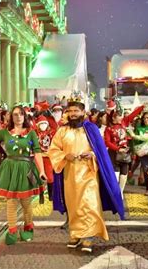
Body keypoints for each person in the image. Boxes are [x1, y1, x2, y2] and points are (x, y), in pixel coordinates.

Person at [48, 98, 124, 253]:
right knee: (73, 205)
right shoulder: (62, 130)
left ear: (83, 112)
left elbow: (101, 152)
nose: (73, 114)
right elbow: (53, 149)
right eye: (70, 111)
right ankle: (75, 234)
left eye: (76, 111)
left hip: (89, 173)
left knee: (89, 204)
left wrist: (91, 154)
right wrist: (64, 155)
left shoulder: (91, 129)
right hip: (69, 174)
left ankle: (88, 236)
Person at [0, 105, 47, 245]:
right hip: (10, 168)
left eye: (20, 114)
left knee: (26, 203)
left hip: (26, 169)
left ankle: (28, 228)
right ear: (11, 117)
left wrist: (42, 170)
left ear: (25, 116)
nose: (18, 117)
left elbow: (37, 152)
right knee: (11, 202)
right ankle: (12, 230)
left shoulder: (31, 133)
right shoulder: (5, 132)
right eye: (15, 114)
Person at [104, 105, 145, 196]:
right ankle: (114, 191)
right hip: (114, 153)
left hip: (125, 152)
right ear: (113, 118)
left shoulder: (124, 122)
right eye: (119, 116)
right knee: (115, 173)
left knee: (124, 173)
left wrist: (142, 107)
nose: (121, 117)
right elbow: (107, 142)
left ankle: (120, 191)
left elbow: (133, 115)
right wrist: (118, 149)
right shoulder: (108, 128)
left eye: (121, 115)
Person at [128, 112, 148, 195]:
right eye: (144, 118)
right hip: (144, 154)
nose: (146, 120)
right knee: (146, 170)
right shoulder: (139, 129)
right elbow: (136, 141)